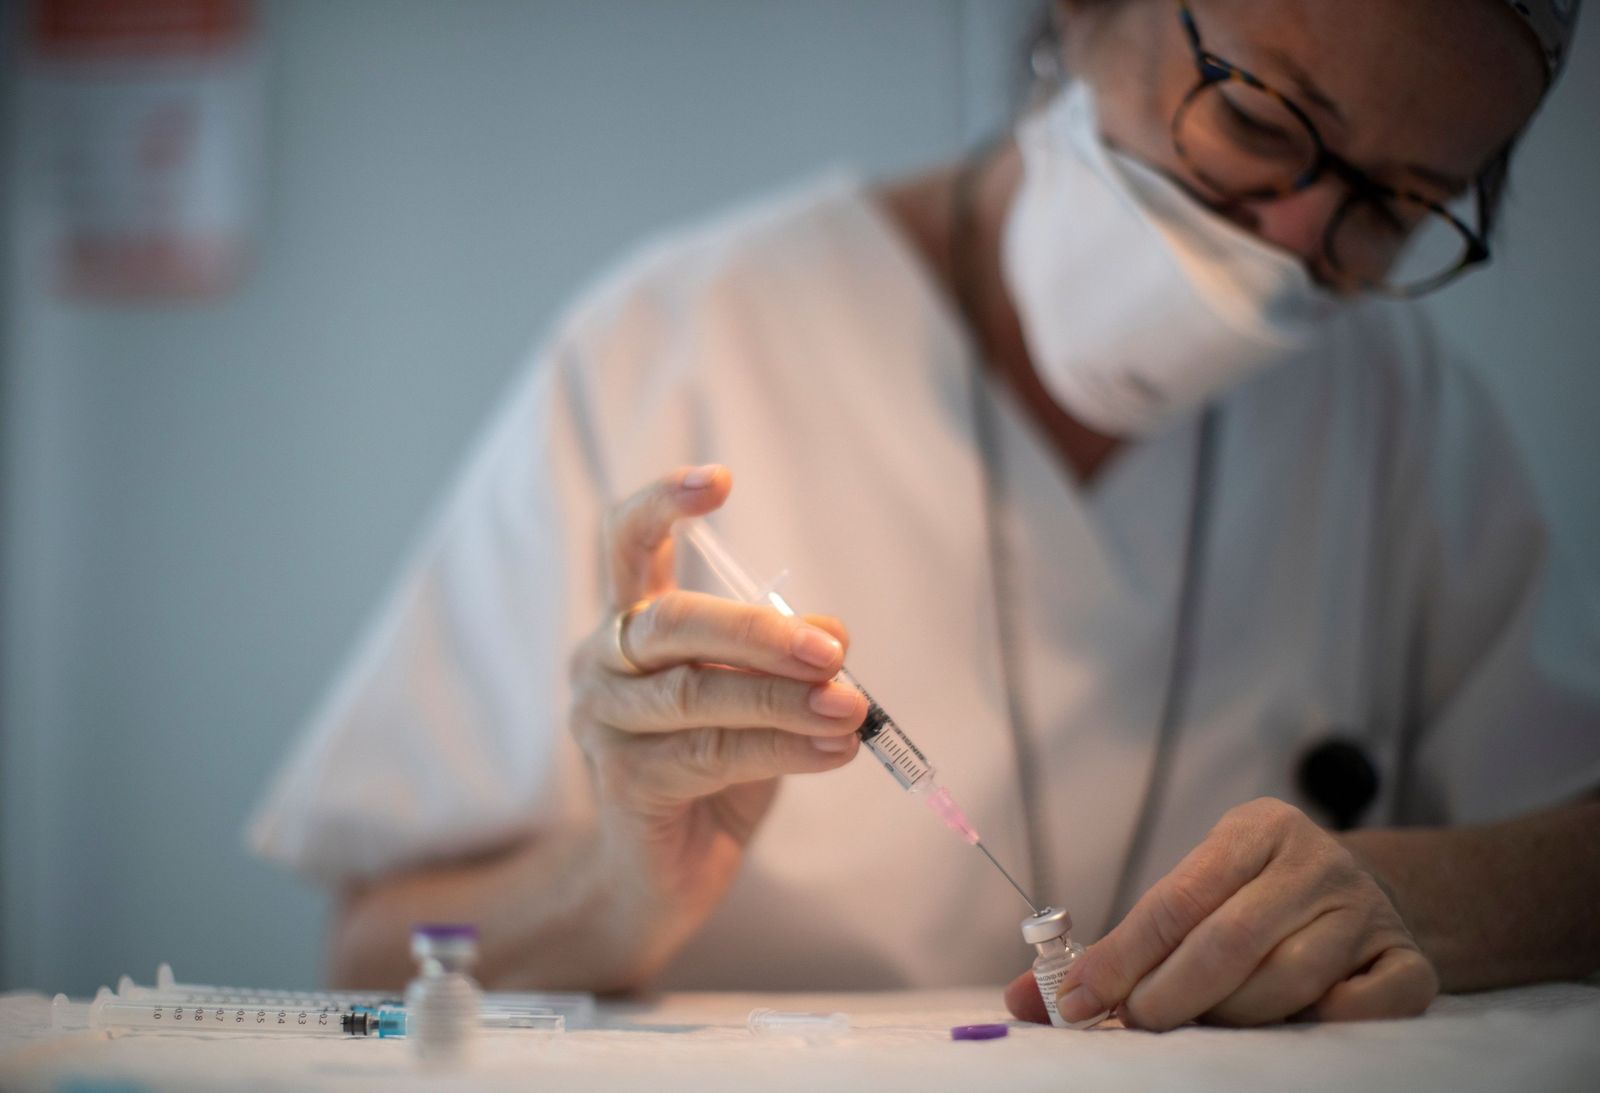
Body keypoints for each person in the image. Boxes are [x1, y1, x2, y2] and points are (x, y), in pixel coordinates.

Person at [250, 0, 1600, 1030]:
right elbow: (367, 962)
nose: (1293, 240)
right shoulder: (679, 348)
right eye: (1259, 119)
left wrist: (1423, 896)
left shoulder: (1398, 410)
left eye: (1399, 206)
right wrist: (616, 889)